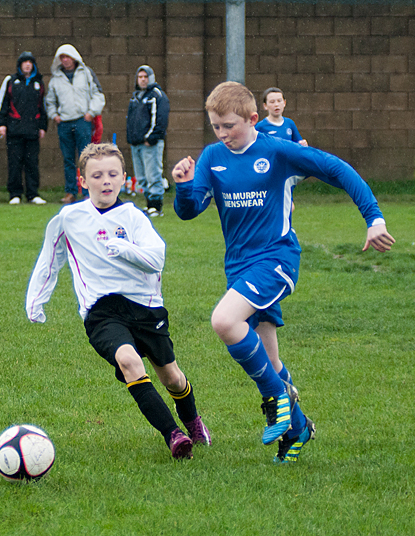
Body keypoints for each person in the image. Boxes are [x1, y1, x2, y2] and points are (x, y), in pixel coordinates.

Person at [172, 81, 395, 463]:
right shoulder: (211, 157)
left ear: (253, 119)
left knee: (225, 321)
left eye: (229, 126)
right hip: (239, 267)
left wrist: (374, 217)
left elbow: (336, 169)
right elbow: (190, 209)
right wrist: (183, 186)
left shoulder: (276, 151)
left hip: (276, 260)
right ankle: (298, 428)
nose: (223, 134)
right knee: (270, 361)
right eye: (216, 127)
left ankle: (275, 398)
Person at [26, 143, 211, 460]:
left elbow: (156, 258)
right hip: (102, 312)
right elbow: (49, 260)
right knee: (129, 362)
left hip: (145, 307)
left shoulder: (134, 217)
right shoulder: (68, 218)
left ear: (125, 178)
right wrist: (36, 301)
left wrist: (123, 248)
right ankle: (174, 435)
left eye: (113, 174)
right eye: (97, 175)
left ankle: (192, 420)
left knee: (172, 378)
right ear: (83, 181)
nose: (106, 181)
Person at [45, 44, 105, 204]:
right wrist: (54, 115)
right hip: (64, 123)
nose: (65, 60)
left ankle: (88, 192)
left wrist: (91, 113)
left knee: (86, 158)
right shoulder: (55, 79)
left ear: (74, 57)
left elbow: (98, 94)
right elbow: (50, 100)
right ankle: (71, 192)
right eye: (62, 57)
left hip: (82, 122)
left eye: (67, 57)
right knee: (68, 159)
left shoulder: (86, 73)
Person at [0, 51, 48, 206]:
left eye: (30, 62)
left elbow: (42, 107)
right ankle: (15, 194)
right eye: (25, 62)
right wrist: (1, 124)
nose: (27, 65)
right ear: (20, 65)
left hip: (32, 131)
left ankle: (32, 194)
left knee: (32, 163)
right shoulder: (10, 81)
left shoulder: (39, 83)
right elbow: (1, 104)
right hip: (14, 131)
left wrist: (43, 126)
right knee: (15, 163)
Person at [126, 65, 170, 217]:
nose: (143, 80)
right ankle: (148, 203)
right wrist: (131, 138)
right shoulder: (136, 96)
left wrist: (150, 138)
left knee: (153, 174)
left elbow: (160, 119)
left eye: (145, 77)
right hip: (136, 143)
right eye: (140, 77)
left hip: (150, 143)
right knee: (141, 177)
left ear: (151, 78)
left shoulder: (156, 96)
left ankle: (156, 206)